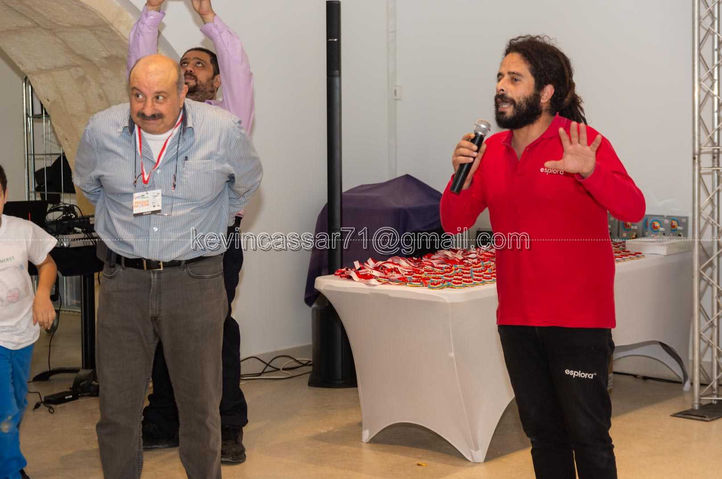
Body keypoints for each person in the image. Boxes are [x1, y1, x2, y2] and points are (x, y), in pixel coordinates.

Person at [440, 35, 645, 479]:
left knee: (589, 437)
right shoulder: (489, 153)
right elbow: (455, 224)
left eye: (515, 79)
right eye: (500, 77)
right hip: (517, 320)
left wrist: (589, 171)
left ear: (546, 91)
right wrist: (459, 177)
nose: (501, 87)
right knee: (543, 436)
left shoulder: (582, 143)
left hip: (579, 321)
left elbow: (633, 208)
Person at [73, 54, 262, 479]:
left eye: (159, 97)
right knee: (117, 410)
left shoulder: (222, 131)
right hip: (123, 282)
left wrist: (210, 222)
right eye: (138, 96)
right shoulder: (101, 130)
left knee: (200, 409)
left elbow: (247, 183)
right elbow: (88, 185)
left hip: (195, 281)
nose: (147, 108)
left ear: (182, 93)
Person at [127, 0, 254, 463]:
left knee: (213, 330)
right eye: (183, 64)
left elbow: (238, 67)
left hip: (212, 241)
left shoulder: (228, 118)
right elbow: (140, 66)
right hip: (156, 237)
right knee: (160, 328)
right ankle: (164, 419)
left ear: (216, 83)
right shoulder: (156, 119)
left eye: (199, 65)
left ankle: (226, 425)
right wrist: (151, 12)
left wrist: (209, 20)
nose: (188, 69)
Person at [0, 164, 57, 479]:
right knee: (5, 410)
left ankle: (5, 460)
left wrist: (43, 295)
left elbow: (47, 263)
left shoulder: (21, 230)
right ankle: (11, 471)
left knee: (18, 404)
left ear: (5, 196)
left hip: (23, 332)